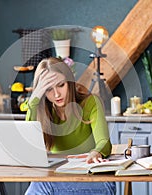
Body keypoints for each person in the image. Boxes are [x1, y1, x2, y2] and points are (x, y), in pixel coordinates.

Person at [25, 57, 115, 195]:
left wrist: (96, 152)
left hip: (97, 181)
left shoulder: (90, 102)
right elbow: (27, 145)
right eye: (48, 89)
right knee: (42, 184)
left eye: (61, 85)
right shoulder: (42, 112)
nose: (56, 94)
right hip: (58, 179)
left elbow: (104, 142)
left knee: (42, 185)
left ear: (70, 83)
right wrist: (33, 101)